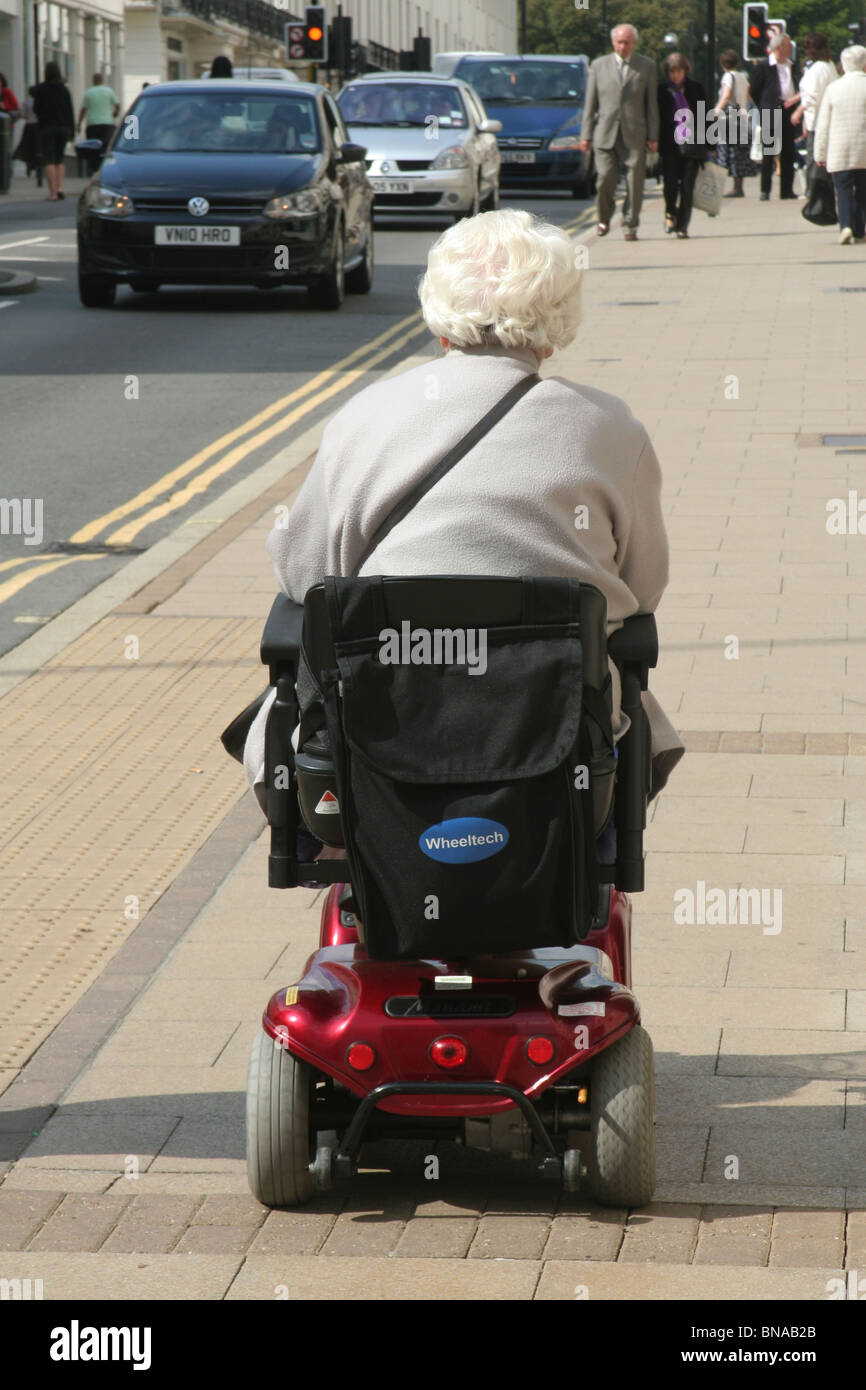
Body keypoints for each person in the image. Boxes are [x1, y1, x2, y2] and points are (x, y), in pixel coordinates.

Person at [243, 208, 684, 812]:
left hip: (377, 730)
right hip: (556, 738)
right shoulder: (609, 429)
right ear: (554, 325)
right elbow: (643, 588)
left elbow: (302, 572)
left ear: (440, 314)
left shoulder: (365, 417)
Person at [578, 24, 659, 240]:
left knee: (635, 181)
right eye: (619, 42)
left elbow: (651, 104)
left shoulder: (647, 66)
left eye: (627, 43)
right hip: (605, 133)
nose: (623, 46)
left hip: (635, 133)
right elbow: (590, 104)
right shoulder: (598, 65)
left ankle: (630, 224)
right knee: (605, 178)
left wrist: (653, 135)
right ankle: (604, 218)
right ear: (614, 43)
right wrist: (585, 135)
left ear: (634, 43)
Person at [814, 45, 866, 245]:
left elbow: (823, 124)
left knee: (842, 189)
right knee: (862, 190)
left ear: (843, 65)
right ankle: (860, 228)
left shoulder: (833, 88)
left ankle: (845, 226)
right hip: (863, 147)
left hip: (840, 148)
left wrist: (820, 153)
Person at [657, 53, 706, 238]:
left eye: (679, 71)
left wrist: (710, 145)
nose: (675, 75)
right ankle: (670, 212)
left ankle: (683, 225)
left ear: (685, 70)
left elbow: (704, 116)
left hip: (692, 145)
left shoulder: (696, 89)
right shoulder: (661, 91)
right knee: (670, 185)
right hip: (670, 145)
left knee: (687, 186)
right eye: (671, 72)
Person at [749, 32, 800, 200]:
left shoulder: (791, 65)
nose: (790, 48)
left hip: (789, 109)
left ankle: (786, 190)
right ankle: (765, 190)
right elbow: (754, 90)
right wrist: (764, 105)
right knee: (769, 150)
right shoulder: (764, 66)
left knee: (788, 151)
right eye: (787, 45)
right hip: (770, 109)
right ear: (779, 47)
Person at [789, 33, 838, 185]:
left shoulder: (817, 69)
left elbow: (812, 95)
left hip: (816, 120)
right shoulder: (829, 66)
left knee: (814, 158)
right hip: (828, 119)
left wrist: (798, 111)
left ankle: (815, 194)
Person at [714, 48, 755, 196]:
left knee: (726, 152)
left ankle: (720, 188)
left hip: (729, 119)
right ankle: (738, 187)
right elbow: (749, 97)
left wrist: (716, 110)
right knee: (740, 153)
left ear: (722, 64)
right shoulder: (743, 77)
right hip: (742, 118)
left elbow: (726, 96)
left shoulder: (727, 77)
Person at [33, 61, 74, 202]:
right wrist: (72, 130)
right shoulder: (64, 90)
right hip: (63, 128)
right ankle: (59, 187)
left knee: (49, 159)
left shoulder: (41, 90)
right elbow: (70, 110)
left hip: (47, 128)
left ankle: (53, 192)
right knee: (60, 158)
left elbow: (36, 109)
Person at [77, 73, 119, 173]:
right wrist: (114, 114)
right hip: (107, 123)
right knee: (106, 146)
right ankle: (105, 167)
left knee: (93, 148)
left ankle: (93, 168)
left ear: (93, 81)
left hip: (93, 124)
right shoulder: (109, 91)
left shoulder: (88, 92)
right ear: (102, 80)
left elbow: (83, 110)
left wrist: (79, 123)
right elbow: (117, 105)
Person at [12, 85, 42, 184]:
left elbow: (22, 113)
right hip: (38, 126)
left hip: (29, 126)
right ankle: (38, 167)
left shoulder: (27, 101)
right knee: (38, 147)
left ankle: (29, 165)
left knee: (28, 147)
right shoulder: (39, 100)